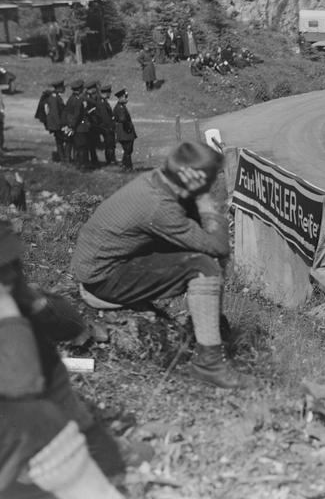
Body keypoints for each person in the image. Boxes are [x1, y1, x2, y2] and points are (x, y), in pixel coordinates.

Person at [70, 142, 251, 390]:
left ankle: (211, 329)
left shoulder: (159, 181)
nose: (214, 184)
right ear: (197, 180)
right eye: (212, 179)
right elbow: (218, 246)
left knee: (199, 253)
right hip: (102, 281)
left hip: (103, 265)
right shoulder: (159, 207)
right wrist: (209, 205)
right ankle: (209, 365)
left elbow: (198, 230)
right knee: (203, 266)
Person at [0, 221, 126, 499]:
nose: (9, 275)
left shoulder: (17, 300)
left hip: (62, 429)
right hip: (25, 444)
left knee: (110, 466)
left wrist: (34, 303)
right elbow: (23, 384)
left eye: (11, 266)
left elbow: (72, 327)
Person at [64, 80, 89, 168]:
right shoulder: (78, 100)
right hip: (79, 127)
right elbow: (77, 115)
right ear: (79, 89)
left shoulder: (71, 99)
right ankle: (82, 165)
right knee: (81, 147)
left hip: (74, 126)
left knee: (77, 146)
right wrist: (72, 126)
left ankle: (78, 164)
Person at [113, 89, 136, 172]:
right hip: (124, 132)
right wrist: (128, 127)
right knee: (128, 150)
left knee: (128, 150)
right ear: (120, 98)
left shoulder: (121, 106)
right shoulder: (120, 107)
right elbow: (122, 119)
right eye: (125, 97)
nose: (127, 99)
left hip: (124, 132)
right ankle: (128, 167)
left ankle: (125, 166)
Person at [45, 80, 68, 163]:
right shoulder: (54, 98)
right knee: (60, 141)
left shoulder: (56, 96)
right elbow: (55, 114)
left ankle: (62, 158)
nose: (64, 89)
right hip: (56, 125)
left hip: (57, 124)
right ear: (58, 88)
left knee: (60, 141)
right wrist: (60, 125)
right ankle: (63, 159)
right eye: (62, 87)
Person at [97, 84, 117, 165]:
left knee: (110, 145)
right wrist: (111, 127)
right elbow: (105, 118)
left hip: (107, 127)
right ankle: (110, 160)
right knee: (110, 145)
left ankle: (111, 159)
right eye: (109, 93)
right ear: (106, 93)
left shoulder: (103, 101)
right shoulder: (102, 102)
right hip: (107, 128)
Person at [83, 81, 101, 168]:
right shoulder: (84, 98)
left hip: (95, 123)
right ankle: (89, 161)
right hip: (88, 123)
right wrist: (90, 111)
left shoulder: (96, 96)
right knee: (88, 144)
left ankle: (94, 160)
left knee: (93, 143)